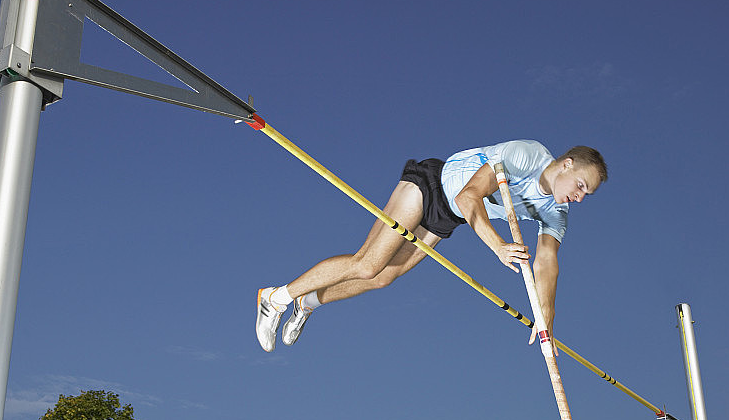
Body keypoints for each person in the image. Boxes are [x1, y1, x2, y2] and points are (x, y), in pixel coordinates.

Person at [255, 140, 607, 352]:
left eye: (585, 195)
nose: (578, 197)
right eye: (579, 185)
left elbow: (547, 261)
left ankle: (309, 302)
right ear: (567, 164)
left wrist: (545, 316)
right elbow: (471, 195)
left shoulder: (555, 212)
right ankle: (275, 298)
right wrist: (499, 246)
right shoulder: (527, 156)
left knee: (381, 278)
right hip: (434, 185)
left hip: (447, 217)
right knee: (368, 264)